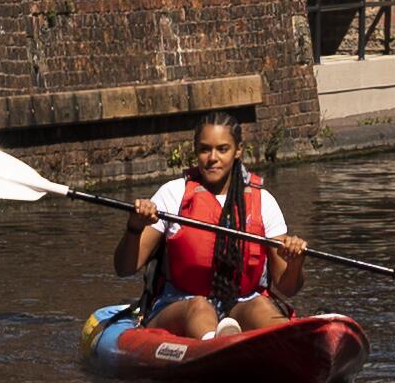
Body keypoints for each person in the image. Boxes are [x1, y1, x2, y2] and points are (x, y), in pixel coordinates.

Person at [117, 116, 301, 344]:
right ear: (195, 151)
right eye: (205, 149)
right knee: (199, 307)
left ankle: (292, 343)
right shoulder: (173, 194)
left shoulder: (264, 201)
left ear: (238, 151)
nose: (213, 158)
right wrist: (134, 227)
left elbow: (287, 287)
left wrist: (295, 261)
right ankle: (218, 344)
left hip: (241, 301)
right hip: (179, 303)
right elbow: (124, 268)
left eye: (222, 149)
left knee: (261, 305)